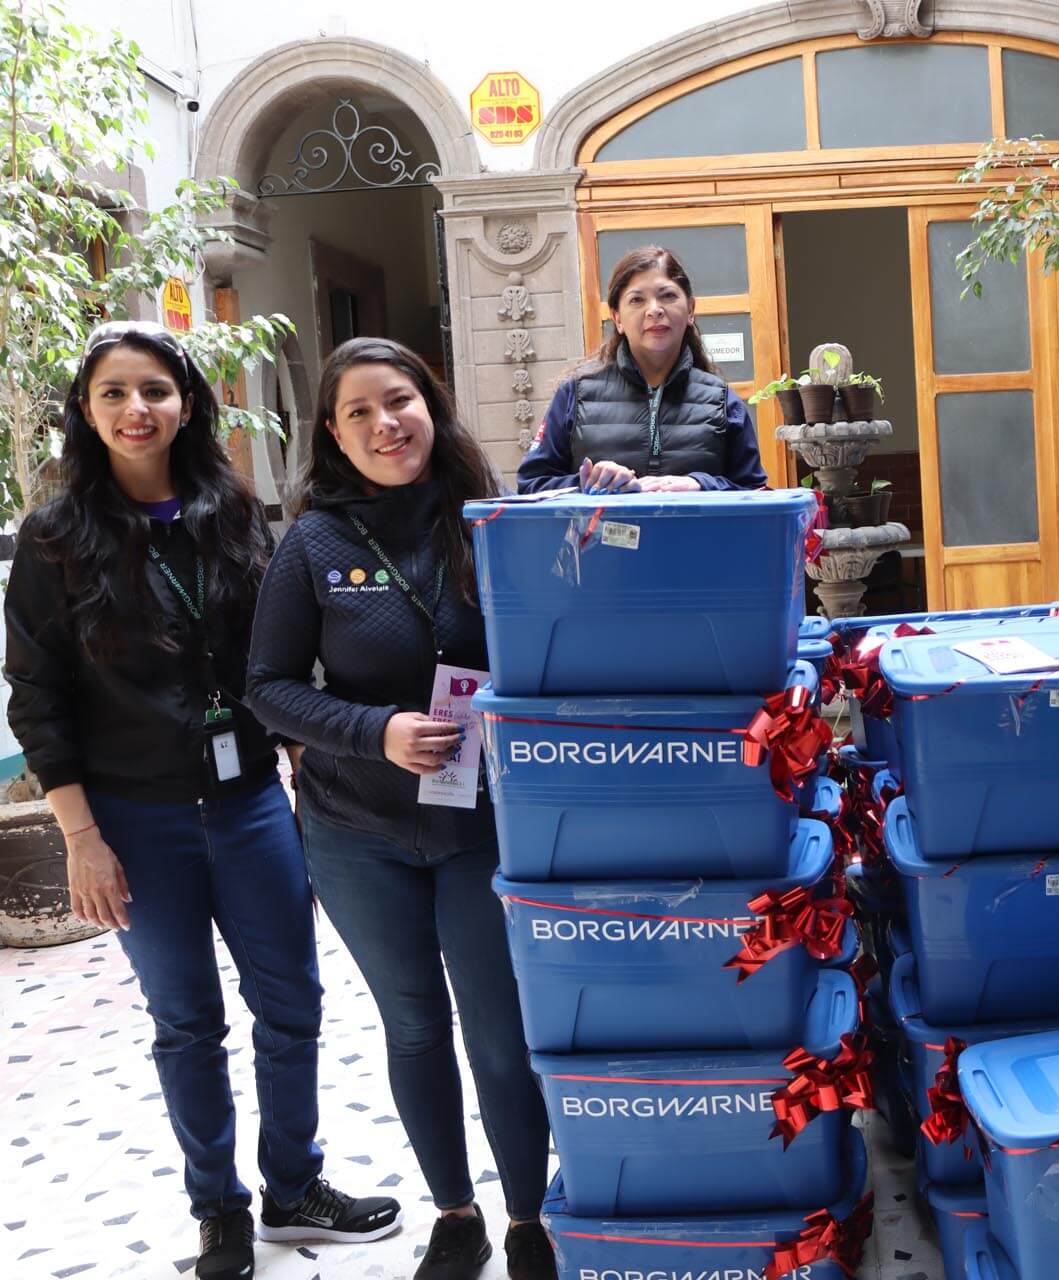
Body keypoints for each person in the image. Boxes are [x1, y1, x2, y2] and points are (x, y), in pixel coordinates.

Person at [3, 320, 402, 1280]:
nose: (136, 410)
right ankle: (216, 1207)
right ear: (87, 412)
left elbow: (274, 663)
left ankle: (293, 1184)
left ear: (186, 403)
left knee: (294, 1003)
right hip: (132, 818)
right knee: (186, 1020)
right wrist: (81, 839)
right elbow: (38, 698)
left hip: (249, 802)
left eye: (155, 391)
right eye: (114, 394)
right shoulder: (53, 541)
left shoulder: (233, 512)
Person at [246, 338, 554, 1280]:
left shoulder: (490, 520)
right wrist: (372, 730)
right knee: (415, 1026)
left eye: (401, 401)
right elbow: (266, 686)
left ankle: (530, 1220)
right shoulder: (315, 543)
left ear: (431, 404)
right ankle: (455, 1212)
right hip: (355, 832)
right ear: (333, 436)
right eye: (359, 413)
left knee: (500, 1033)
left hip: (479, 826)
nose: (386, 424)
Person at [517, 244, 767, 494]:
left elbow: (755, 491)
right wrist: (591, 483)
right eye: (637, 299)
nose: (655, 309)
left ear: (690, 310)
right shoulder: (576, 394)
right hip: (601, 534)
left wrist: (702, 484)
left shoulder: (723, 401)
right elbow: (531, 486)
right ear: (617, 318)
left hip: (696, 535)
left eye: (668, 296)